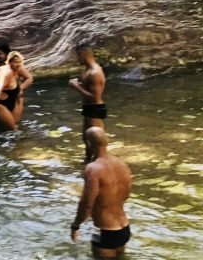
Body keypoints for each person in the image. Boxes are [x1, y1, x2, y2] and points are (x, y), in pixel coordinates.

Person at [71, 127, 132, 258]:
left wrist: (75, 225)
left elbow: (87, 203)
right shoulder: (122, 164)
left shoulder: (93, 169)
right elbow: (126, 195)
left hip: (105, 231)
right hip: (124, 229)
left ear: (88, 144)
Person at [0, 50, 33, 130]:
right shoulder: (3, 70)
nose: (18, 64)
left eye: (19, 62)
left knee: (15, 126)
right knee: (4, 128)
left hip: (16, 98)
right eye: (15, 62)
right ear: (9, 62)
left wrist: (21, 88)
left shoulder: (19, 68)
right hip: (0, 102)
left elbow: (29, 78)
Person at [69, 43, 107, 130]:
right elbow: (87, 87)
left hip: (95, 108)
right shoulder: (88, 70)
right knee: (86, 138)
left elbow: (95, 97)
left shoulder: (95, 73)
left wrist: (76, 87)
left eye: (78, 55)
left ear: (83, 54)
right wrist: (78, 83)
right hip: (89, 107)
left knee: (94, 138)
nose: (77, 59)